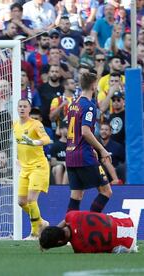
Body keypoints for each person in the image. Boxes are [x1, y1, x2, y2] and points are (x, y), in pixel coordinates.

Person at [65, 72, 113, 214]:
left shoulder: (73, 105)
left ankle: (68, 231)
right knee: (106, 191)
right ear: (93, 85)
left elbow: (76, 132)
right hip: (83, 156)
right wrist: (102, 150)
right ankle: (90, 224)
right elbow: (85, 131)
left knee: (76, 195)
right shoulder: (89, 106)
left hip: (70, 155)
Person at [13, 99, 51, 240]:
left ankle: (35, 233)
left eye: (25, 106)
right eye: (20, 106)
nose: (22, 109)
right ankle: (41, 222)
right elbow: (19, 145)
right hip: (25, 167)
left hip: (38, 166)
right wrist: (18, 159)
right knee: (21, 202)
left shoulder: (36, 124)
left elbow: (47, 139)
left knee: (31, 199)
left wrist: (35, 142)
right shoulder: (15, 125)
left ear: (29, 109)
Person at [39, 211, 138, 253]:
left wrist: (51, 238)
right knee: (107, 218)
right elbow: (65, 220)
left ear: (59, 242)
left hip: (129, 244)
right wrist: (53, 232)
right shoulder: (72, 215)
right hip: (127, 220)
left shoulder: (79, 248)